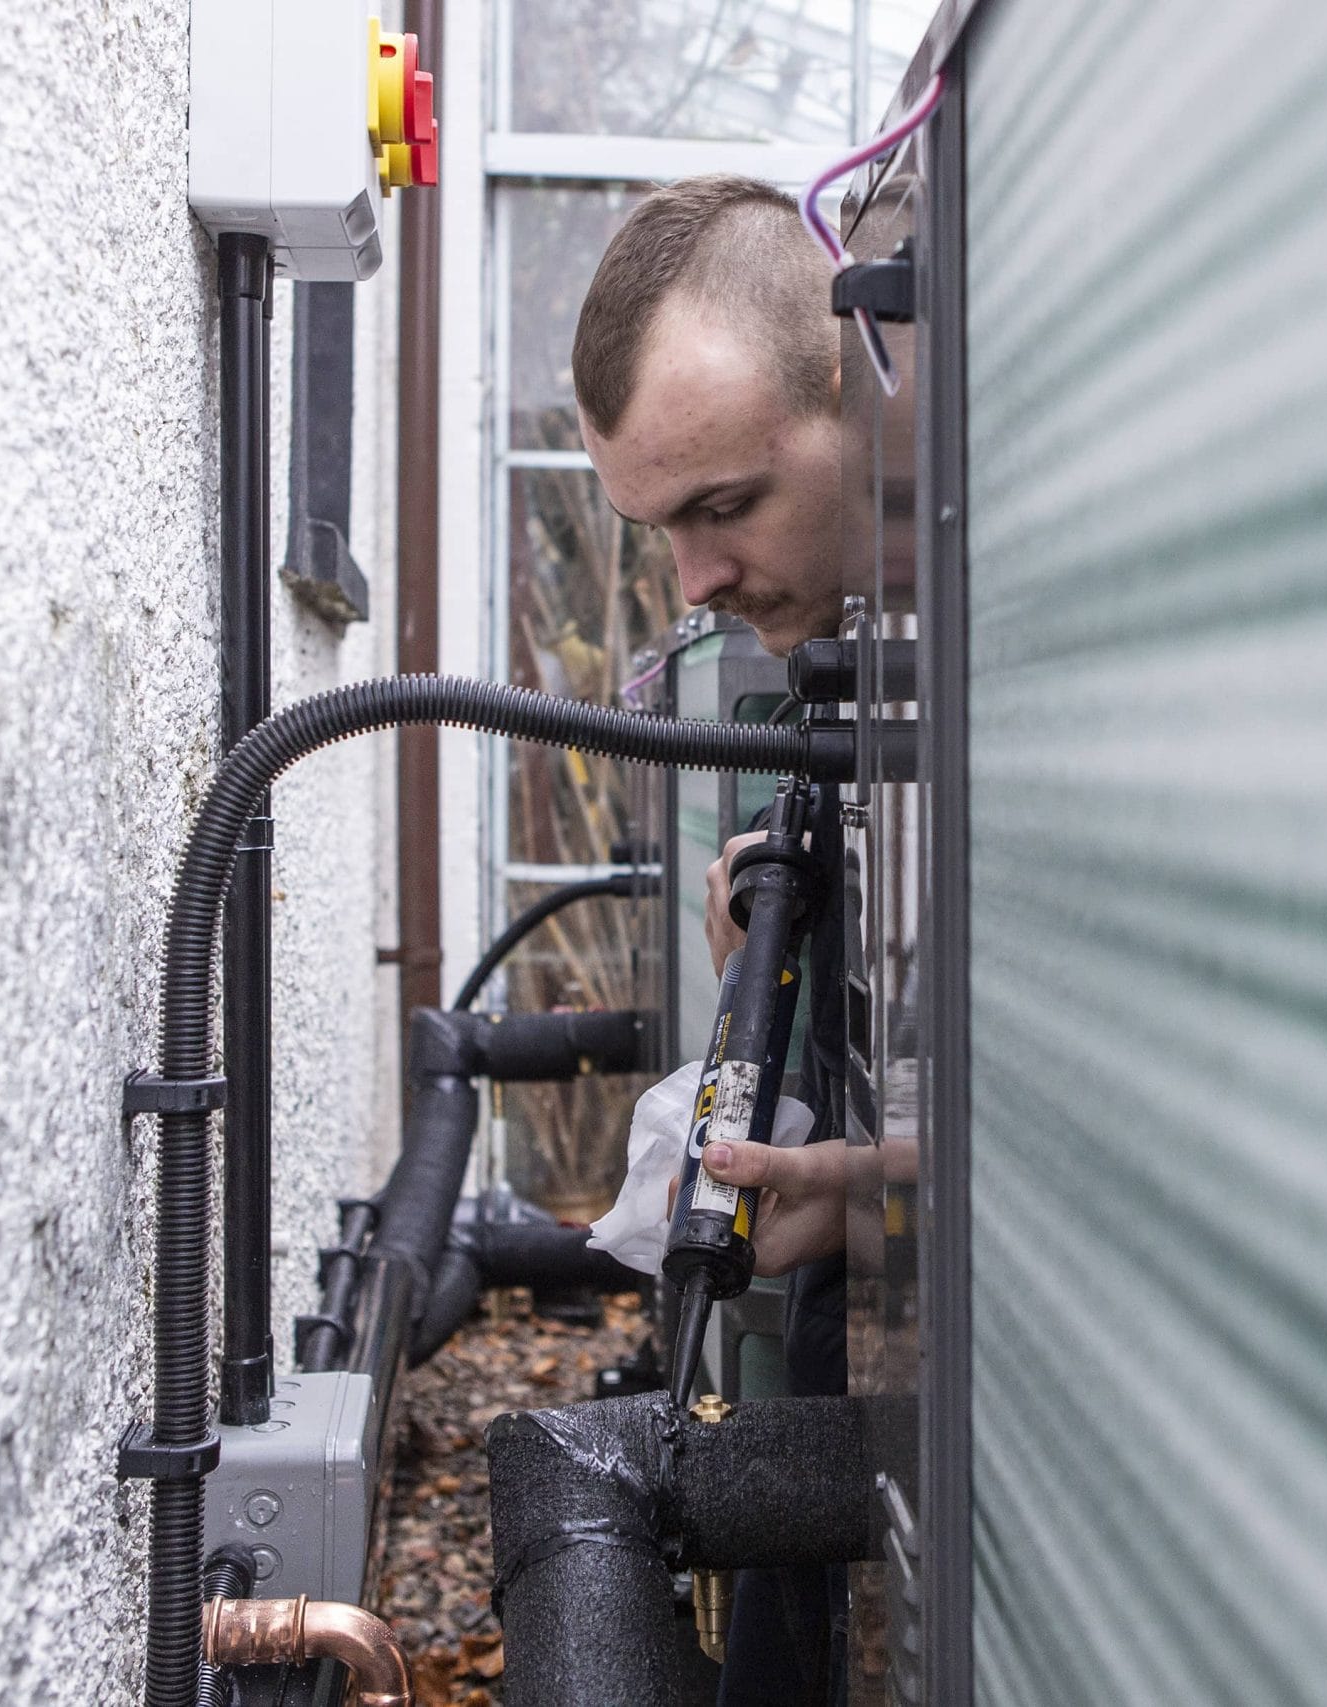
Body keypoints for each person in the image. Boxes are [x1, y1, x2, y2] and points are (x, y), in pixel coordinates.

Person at [573, 172, 860, 1707]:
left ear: (864, 385)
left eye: (725, 507)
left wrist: (896, 1182)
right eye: (658, 528)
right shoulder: (846, 646)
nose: (693, 585)